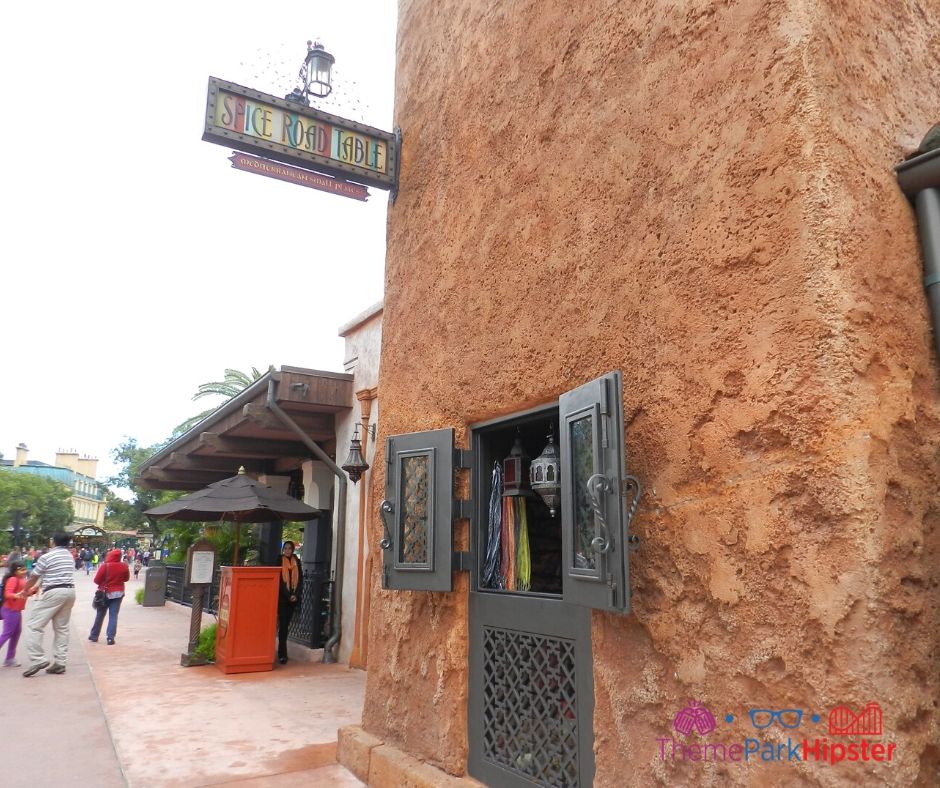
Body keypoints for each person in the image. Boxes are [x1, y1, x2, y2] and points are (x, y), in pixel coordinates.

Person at [18, 533, 76, 677]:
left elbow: (34, 576)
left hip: (54, 593)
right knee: (62, 628)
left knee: (33, 625)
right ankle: (60, 663)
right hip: (69, 591)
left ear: (53, 542)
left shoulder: (47, 556)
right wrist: (38, 586)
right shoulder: (69, 556)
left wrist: (25, 590)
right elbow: (51, 573)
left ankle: (38, 659)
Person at [89, 549, 130, 646]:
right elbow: (126, 579)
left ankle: (94, 635)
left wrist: (104, 583)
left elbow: (96, 580)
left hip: (105, 592)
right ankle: (110, 638)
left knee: (100, 614)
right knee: (113, 615)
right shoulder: (124, 566)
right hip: (119, 593)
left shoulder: (105, 565)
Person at [0, 561, 36, 667]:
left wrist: (32, 591)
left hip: (16, 610)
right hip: (10, 610)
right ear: (15, 571)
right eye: (21, 570)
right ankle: (10, 658)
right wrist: (16, 595)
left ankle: (10, 658)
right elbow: (7, 594)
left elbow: (24, 593)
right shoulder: (13, 579)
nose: (24, 571)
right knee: (7, 633)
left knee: (16, 633)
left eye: (25, 569)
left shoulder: (21, 579)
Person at [277, 541, 303, 665]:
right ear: (283, 549)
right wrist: (288, 595)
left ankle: (283, 652)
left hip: (293, 599)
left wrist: (296, 595)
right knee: (282, 626)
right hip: (283, 599)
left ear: (292, 550)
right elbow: (279, 581)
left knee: (287, 625)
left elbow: (301, 579)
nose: (287, 550)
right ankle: (282, 655)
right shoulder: (279, 560)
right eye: (285, 548)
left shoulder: (296, 561)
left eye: (289, 548)